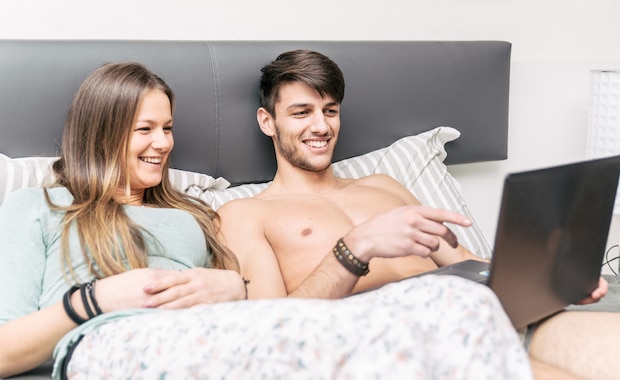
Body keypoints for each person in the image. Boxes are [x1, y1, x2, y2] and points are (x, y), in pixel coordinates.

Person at [0, 62, 532, 379]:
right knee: (414, 320)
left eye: (167, 127)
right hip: (111, 340)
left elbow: (257, 304)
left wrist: (230, 285)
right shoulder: (39, 208)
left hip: (214, 335)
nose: (163, 143)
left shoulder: (193, 214)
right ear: (100, 134)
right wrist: (98, 300)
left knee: (450, 309)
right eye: (145, 129)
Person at [215, 49, 620, 380]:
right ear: (267, 122)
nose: (321, 126)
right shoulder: (245, 213)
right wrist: (354, 247)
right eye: (301, 112)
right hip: (390, 344)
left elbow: (465, 263)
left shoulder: (385, 186)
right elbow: (267, 330)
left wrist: (552, 281)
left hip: (476, 316)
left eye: (331, 110)